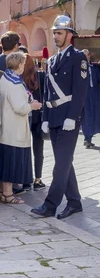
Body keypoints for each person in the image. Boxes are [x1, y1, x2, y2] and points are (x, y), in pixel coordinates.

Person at [31, 15, 88, 220]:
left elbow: (80, 91)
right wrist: (45, 116)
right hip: (53, 116)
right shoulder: (52, 60)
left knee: (61, 165)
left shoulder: (78, 57)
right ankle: (74, 202)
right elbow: (47, 91)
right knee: (64, 162)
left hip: (68, 119)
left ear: (69, 35)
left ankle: (50, 205)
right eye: (54, 32)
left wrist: (73, 117)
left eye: (59, 32)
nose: (55, 36)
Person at [0, 52, 42, 204]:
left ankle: (4, 192)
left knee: (6, 161)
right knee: (11, 162)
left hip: (6, 127)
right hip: (14, 128)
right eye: (23, 63)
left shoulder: (6, 78)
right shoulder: (15, 83)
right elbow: (20, 107)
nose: (24, 66)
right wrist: (33, 105)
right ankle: (8, 194)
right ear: (18, 65)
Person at [22, 54, 46, 191]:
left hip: (24, 115)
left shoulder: (19, 78)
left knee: (25, 148)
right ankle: (38, 178)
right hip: (39, 115)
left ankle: (26, 179)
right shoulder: (40, 76)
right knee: (38, 149)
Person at [81, 50, 100, 148]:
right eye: (84, 55)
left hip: (94, 93)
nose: (87, 56)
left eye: (88, 54)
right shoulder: (79, 68)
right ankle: (86, 137)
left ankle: (89, 137)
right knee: (86, 116)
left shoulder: (94, 67)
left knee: (95, 114)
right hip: (84, 94)